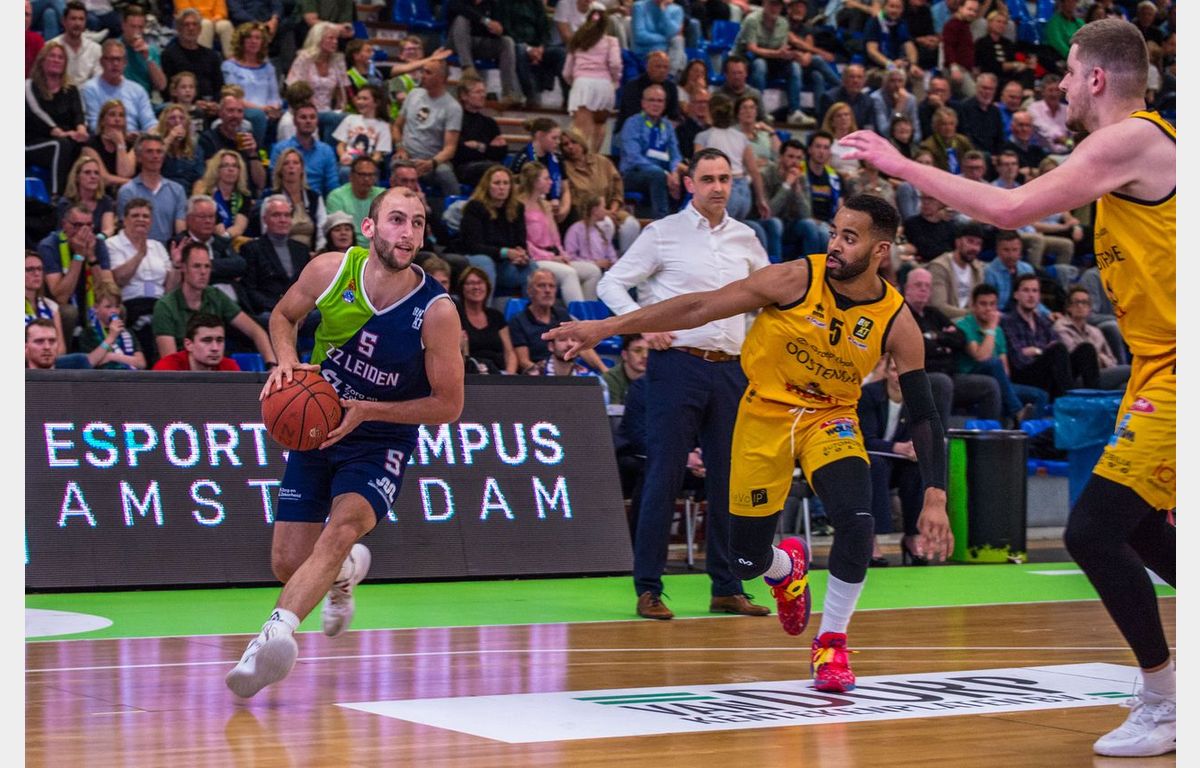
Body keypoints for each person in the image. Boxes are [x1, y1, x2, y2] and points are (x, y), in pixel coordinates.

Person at [846, 55, 1176, 751]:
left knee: (1093, 532)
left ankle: (1165, 699)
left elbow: (1007, 209)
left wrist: (899, 164)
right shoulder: (1143, 150)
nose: (1061, 85)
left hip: (1179, 369)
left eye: (1070, 72)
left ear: (1097, 78)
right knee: (1141, 527)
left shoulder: (1129, 139)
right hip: (1157, 368)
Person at [550, 190, 953, 688]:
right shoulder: (795, 279)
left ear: (880, 250)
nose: (835, 245)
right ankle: (784, 569)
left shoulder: (896, 319)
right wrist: (607, 327)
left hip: (830, 418)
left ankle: (831, 643)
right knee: (746, 559)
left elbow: (925, 414)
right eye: (833, 233)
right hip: (765, 414)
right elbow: (700, 306)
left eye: (849, 238)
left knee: (857, 521)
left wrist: (935, 495)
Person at [225, 186, 465, 698]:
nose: (408, 232)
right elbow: (283, 317)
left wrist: (371, 410)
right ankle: (347, 571)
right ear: (369, 227)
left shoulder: (437, 311)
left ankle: (271, 638)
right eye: (397, 219)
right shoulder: (330, 271)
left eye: (417, 222)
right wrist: (286, 362)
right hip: (321, 421)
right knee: (287, 562)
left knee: (341, 529)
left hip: (381, 435)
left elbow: (449, 405)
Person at [588, 148, 772, 621]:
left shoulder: (747, 237)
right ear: (689, 183)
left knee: (729, 482)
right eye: (708, 178)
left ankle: (727, 587)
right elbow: (611, 284)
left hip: (731, 369)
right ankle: (648, 587)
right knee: (663, 476)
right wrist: (643, 324)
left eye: (725, 178)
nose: (718, 187)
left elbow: (770, 299)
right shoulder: (662, 233)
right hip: (676, 365)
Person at [903, 265, 1002, 422]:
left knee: (989, 385)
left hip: (949, 374)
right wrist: (944, 342)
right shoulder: (902, 314)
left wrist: (935, 336)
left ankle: (988, 433)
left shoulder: (933, 313)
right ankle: (940, 435)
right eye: (918, 285)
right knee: (943, 383)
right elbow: (920, 346)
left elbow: (960, 338)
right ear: (907, 288)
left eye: (927, 286)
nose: (923, 289)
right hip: (922, 376)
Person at [152, 240, 276, 364]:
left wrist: (271, 364)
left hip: (213, 367)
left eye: (207, 266)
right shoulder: (165, 306)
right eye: (196, 266)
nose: (203, 272)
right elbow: (170, 362)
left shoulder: (216, 296)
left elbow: (256, 331)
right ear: (184, 268)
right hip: (182, 370)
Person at [858, 355, 927, 566]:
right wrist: (897, 447)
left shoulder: (917, 398)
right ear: (887, 372)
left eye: (904, 371)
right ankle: (872, 539)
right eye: (895, 370)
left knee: (916, 467)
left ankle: (912, 536)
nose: (899, 376)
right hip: (868, 461)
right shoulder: (869, 395)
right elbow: (865, 439)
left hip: (897, 464)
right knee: (876, 465)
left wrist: (915, 448)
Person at [952, 283, 1045, 423]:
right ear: (973, 305)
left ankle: (1028, 433)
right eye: (983, 304)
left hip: (998, 379)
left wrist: (1004, 384)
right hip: (971, 376)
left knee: (1040, 395)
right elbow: (981, 356)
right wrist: (991, 329)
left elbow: (1005, 369)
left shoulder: (999, 331)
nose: (988, 309)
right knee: (993, 363)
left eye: (992, 304)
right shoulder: (964, 325)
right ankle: (1017, 412)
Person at [516, 162, 605, 304]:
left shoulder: (545, 205)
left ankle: (590, 313)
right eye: (546, 178)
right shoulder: (519, 206)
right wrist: (551, 257)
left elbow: (555, 238)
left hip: (553, 255)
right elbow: (524, 242)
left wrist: (563, 255)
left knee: (593, 271)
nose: (551, 182)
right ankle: (579, 316)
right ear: (534, 181)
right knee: (569, 273)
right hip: (536, 258)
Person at [1001, 273, 1098, 399]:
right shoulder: (1007, 321)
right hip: (1024, 376)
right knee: (1057, 351)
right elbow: (1018, 359)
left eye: (1035, 291)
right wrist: (1045, 352)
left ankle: (1095, 400)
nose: (1031, 295)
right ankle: (1069, 401)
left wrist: (1036, 351)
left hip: (1047, 373)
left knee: (1086, 349)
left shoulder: (1043, 321)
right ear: (1016, 295)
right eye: (1026, 290)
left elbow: (1057, 345)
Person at [105, 197, 178, 360]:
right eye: (135, 215)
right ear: (124, 220)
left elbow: (169, 288)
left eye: (145, 216)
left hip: (159, 304)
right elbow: (119, 279)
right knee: (147, 324)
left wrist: (176, 265)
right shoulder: (112, 244)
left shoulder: (157, 246)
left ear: (151, 221)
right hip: (130, 302)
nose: (141, 219)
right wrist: (140, 255)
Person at [38, 202, 115, 341]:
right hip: (58, 306)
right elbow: (60, 297)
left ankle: (110, 350)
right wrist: (79, 256)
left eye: (89, 225)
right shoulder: (49, 245)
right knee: (69, 312)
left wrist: (92, 257)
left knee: (117, 308)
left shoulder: (97, 243)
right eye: (78, 225)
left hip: (89, 303)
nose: (84, 231)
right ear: (64, 225)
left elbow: (108, 291)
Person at [560, 127, 642, 254]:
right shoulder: (564, 168)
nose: (570, 147)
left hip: (611, 209)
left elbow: (617, 188)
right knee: (606, 224)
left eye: (574, 142)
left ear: (581, 142)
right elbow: (575, 201)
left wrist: (613, 210)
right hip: (585, 215)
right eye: (565, 144)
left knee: (631, 225)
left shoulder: (602, 162)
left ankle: (625, 259)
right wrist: (602, 213)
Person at [509, 268, 606, 374]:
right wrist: (546, 374)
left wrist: (604, 370)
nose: (547, 290)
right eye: (541, 285)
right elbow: (524, 361)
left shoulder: (562, 315)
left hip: (567, 371)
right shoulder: (518, 320)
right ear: (529, 290)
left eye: (552, 286)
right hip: (538, 376)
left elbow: (582, 348)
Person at [391, 58, 461, 200]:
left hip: (431, 161)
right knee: (395, 167)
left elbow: (450, 149)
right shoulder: (413, 94)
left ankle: (456, 207)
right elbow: (396, 126)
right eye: (423, 71)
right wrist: (400, 148)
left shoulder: (453, 107)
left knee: (444, 173)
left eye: (428, 72)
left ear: (441, 78)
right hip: (406, 157)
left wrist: (432, 163)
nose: (422, 75)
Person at [735, 0, 812, 127]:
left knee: (795, 67)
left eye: (778, 5)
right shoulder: (752, 20)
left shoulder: (783, 23)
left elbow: (781, 50)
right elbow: (752, 49)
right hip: (747, 61)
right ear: (764, 4)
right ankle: (758, 111)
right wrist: (778, 53)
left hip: (772, 61)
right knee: (760, 65)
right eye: (772, 4)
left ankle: (794, 112)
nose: (774, 8)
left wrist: (790, 55)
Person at [26, 41, 87, 199]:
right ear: (42, 60)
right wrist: (57, 131)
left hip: (65, 138)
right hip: (33, 142)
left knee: (88, 144)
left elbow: (78, 113)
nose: (56, 60)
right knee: (60, 145)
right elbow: (36, 113)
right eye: (52, 56)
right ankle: (57, 197)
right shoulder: (29, 86)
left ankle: (87, 195)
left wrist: (81, 129)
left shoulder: (71, 89)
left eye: (60, 57)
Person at [456, 164, 529, 295]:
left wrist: (521, 255)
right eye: (497, 183)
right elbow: (473, 246)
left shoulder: (518, 208)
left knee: (532, 266)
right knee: (485, 262)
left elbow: (521, 241)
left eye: (506, 183)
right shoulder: (474, 207)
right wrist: (505, 252)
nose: (502, 187)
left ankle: (532, 308)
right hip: (476, 257)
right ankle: (484, 306)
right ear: (487, 186)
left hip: (504, 263)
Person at [241, 194, 313, 322]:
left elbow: (309, 288)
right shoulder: (251, 249)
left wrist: (302, 311)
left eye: (287, 215)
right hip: (268, 309)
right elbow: (249, 290)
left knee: (320, 317)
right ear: (265, 219)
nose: (282, 220)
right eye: (276, 215)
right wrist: (281, 309)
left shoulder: (302, 250)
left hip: (300, 310)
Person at [618, 83, 685, 219]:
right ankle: (662, 221)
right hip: (633, 174)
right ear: (643, 103)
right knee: (657, 174)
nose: (656, 104)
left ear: (664, 104)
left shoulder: (667, 126)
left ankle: (682, 218)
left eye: (660, 101)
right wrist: (665, 174)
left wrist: (674, 172)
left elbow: (675, 154)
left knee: (687, 177)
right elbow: (633, 157)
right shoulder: (633, 123)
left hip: (663, 172)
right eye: (651, 100)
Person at [563, 3, 622, 154]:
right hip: (604, 86)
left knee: (581, 129)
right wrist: (615, 80)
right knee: (599, 123)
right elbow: (615, 64)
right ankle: (593, 158)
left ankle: (577, 159)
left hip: (583, 85)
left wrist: (574, 82)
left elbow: (567, 72)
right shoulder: (611, 41)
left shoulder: (577, 40)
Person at [447, 0, 522, 107]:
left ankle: (509, 92)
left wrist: (499, 30)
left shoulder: (493, 3)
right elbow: (457, 8)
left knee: (507, 42)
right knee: (462, 19)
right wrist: (485, 21)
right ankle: (468, 68)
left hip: (480, 43)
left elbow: (506, 27)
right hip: (457, 42)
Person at [1054, 286, 1130, 391]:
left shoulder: (1095, 331)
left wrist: (1100, 359)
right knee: (1131, 370)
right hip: (1078, 377)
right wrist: (1101, 358)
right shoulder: (1060, 328)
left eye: (1084, 302)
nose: (1080, 306)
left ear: (1090, 308)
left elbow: (1112, 361)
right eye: (1076, 302)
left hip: (1102, 373)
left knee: (1125, 387)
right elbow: (1077, 357)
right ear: (1068, 307)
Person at [496, 0, 567, 109]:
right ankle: (531, 95)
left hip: (537, 47)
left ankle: (568, 99)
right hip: (515, 45)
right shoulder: (503, 3)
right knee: (520, 50)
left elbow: (544, 30)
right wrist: (528, 49)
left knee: (561, 53)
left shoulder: (535, 3)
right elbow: (506, 31)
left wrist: (541, 47)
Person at [287, 21, 349, 142]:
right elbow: (294, 89)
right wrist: (311, 109)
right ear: (318, 39)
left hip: (328, 110)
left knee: (344, 118)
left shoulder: (338, 61)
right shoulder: (304, 59)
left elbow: (342, 93)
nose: (335, 42)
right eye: (330, 38)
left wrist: (341, 109)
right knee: (333, 119)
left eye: (336, 39)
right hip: (305, 110)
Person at [221, 22, 281, 146]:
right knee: (257, 116)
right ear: (241, 41)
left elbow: (274, 96)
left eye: (257, 38)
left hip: (267, 111)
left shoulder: (268, 67)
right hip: (243, 110)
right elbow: (235, 97)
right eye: (249, 37)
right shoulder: (230, 66)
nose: (253, 41)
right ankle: (256, 151)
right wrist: (263, 109)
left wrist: (274, 108)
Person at [81, 39, 156, 134]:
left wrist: (148, 134)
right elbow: (94, 125)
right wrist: (122, 136)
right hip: (104, 139)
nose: (115, 64)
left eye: (119, 59)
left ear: (125, 63)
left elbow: (150, 122)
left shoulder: (138, 90)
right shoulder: (90, 88)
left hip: (135, 138)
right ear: (102, 62)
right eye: (111, 59)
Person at [199, 91, 269, 193]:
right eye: (230, 110)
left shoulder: (251, 140)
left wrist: (252, 154)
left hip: (248, 195)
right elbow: (209, 177)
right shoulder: (208, 139)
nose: (235, 116)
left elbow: (261, 183)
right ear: (220, 113)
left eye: (240, 111)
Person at [161, 10, 225, 118]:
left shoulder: (212, 55)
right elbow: (166, 90)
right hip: (182, 109)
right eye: (186, 25)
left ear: (200, 29)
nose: (191, 28)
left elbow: (219, 87)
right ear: (178, 29)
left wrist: (215, 104)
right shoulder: (169, 55)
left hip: (211, 107)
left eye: (195, 24)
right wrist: (192, 103)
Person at [269, 102, 340, 198]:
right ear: (294, 121)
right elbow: (275, 181)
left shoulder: (326, 151)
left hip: (317, 201)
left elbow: (332, 185)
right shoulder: (281, 149)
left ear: (317, 121)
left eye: (312, 117)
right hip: (286, 199)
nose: (308, 121)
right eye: (303, 117)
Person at [509, 118, 572, 224]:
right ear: (539, 135)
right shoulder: (522, 159)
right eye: (554, 138)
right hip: (530, 214)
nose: (558, 142)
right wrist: (542, 205)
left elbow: (565, 189)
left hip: (554, 211)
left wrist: (564, 210)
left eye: (559, 138)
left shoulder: (557, 158)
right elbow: (515, 192)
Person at [451, 74, 508, 190]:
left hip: (488, 165)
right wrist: (488, 148)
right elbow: (460, 152)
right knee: (494, 171)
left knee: (499, 171)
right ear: (464, 96)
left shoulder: (489, 123)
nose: (483, 96)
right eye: (478, 92)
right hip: (463, 169)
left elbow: (501, 152)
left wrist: (479, 146)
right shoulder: (455, 120)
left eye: (484, 92)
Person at [457, 266, 517, 374]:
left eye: (480, 283)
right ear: (462, 288)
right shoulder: (457, 316)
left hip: (499, 374)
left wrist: (509, 376)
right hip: (472, 374)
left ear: (487, 287)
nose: (476, 287)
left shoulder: (496, 316)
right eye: (470, 283)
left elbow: (510, 353)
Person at [268, 146, 328, 252]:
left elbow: (322, 229)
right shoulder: (271, 198)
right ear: (280, 170)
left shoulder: (314, 197)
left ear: (302, 169)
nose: (291, 166)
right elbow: (266, 231)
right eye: (286, 163)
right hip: (280, 252)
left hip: (312, 253)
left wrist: (319, 251)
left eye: (295, 163)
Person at [78, 281, 147, 370]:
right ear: (96, 308)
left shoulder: (127, 332)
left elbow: (141, 363)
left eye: (117, 306)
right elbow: (90, 362)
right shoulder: (88, 333)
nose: (114, 311)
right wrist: (111, 337)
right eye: (108, 306)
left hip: (128, 376)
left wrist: (111, 357)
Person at [332, 84, 392, 184]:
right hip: (349, 161)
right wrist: (343, 156)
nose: (360, 102)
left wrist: (364, 166)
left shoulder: (383, 125)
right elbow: (340, 145)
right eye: (358, 98)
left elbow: (378, 155)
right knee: (344, 171)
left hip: (369, 163)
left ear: (376, 102)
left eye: (365, 99)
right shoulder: (350, 119)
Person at [926, 220, 985, 319]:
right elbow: (939, 306)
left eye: (978, 244)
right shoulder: (939, 266)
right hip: (946, 322)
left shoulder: (977, 268)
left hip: (970, 322)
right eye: (970, 241)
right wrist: (972, 314)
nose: (974, 248)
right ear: (958, 242)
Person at [194, 150, 254, 241]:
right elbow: (213, 226)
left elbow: (239, 227)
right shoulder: (206, 193)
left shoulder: (244, 196)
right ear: (216, 170)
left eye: (235, 166)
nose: (231, 169)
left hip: (231, 238)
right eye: (225, 165)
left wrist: (226, 236)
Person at [615, 50, 681, 132]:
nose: (662, 70)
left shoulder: (671, 87)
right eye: (658, 66)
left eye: (665, 67)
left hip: (661, 131)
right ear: (647, 67)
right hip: (630, 130)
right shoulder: (632, 86)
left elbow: (674, 115)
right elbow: (633, 114)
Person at [326, 157, 385, 248]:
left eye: (371, 175)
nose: (366, 179)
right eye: (362, 174)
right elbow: (338, 233)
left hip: (377, 248)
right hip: (348, 249)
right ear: (351, 176)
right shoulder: (336, 197)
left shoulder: (382, 196)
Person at [152, 312, 243, 371]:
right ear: (188, 344)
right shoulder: (168, 368)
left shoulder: (229, 368)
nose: (215, 348)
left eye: (220, 340)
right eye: (207, 340)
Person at [57, 154, 116, 239]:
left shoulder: (105, 200)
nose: (93, 176)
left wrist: (97, 239)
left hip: (99, 242)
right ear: (77, 177)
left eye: (96, 173)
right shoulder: (65, 203)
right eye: (87, 172)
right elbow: (64, 232)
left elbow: (109, 229)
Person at [25, 252, 68, 359]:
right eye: (29, 269)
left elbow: (61, 348)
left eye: (39, 269)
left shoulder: (51, 306)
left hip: (51, 361)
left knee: (81, 360)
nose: (36, 273)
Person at [117, 4, 166, 95]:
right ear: (123, 25)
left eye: (140, 27)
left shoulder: (151, 50)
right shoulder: (114, 48)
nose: (137, 32)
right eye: (133, 27)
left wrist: (148, 58)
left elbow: (161, 85)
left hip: (144, 99)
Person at [50, 1, 102, 86]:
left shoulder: (95, 49)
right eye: (73, 19)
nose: (78, 23)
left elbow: (99, 81)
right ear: (64, 21)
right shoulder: (51, 47)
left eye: (81, 19)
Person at [564, 194, 619, 272]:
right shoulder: (575, 230)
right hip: (586, 271)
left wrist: (614, 264)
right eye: (604, 207)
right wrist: (593, 264)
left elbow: (611, 254)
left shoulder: (601, 231)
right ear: (595, 210)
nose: (606, 211)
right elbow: (570, 257)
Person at [631, 0, 686, 76]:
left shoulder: (677, 9)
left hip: (669, 51)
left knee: (678, 41)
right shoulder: (639, 6)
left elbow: (672, 32)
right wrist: (666, 39)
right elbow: (639, 36)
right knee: (680, 56)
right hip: (647, 51)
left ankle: (669, 76)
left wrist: (664, 11)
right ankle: (669, 77)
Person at [818, 62, 872, 133]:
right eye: (851, 77)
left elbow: (868, 127)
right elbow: (824, 126)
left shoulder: (868, 100)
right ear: (843, 79)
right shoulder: (829, 98)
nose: (855, 81)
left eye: (859, 77)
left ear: (864, 81)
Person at [602, 333, 648, 405]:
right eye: (638, 351)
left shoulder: (659, 375)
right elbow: (613, 411)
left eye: (650, 351)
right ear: (625, 355)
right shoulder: (610, 379)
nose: (645, 356)